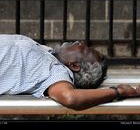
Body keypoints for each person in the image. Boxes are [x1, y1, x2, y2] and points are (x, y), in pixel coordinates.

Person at [0, 34, 140, 111]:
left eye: (84, 50)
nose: (81, 42)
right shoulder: (49, 53)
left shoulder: (56, 72)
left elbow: (71, 98)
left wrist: (117, 92)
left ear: (74, 66)